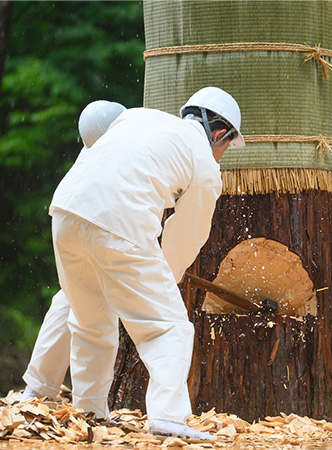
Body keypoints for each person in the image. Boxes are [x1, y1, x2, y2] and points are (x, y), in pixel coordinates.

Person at [49, 87, 244, 441]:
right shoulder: (203, 160)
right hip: (119, 225)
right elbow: (188, 233)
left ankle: (88, 413)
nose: (222, 154)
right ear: (219, 134)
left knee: (91, 321)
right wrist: (166, 281)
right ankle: (168, 417)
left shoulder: (137, 115)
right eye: (227, 146)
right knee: (169, 327)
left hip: (65, 212)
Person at [21, 100, 126, 401]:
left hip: (65, 215)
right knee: (96, 314)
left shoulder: (91, 149)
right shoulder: (122, 151)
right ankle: (90, 410)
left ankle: (38, 390)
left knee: (70, 297)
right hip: (96, 223)